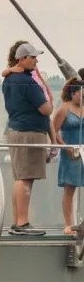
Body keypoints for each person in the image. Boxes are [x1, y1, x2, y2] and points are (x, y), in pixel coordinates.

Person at [2, 42, 54, 236]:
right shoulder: (27, 82)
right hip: (30, 132)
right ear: (22, 59)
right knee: (26, 178)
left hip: (16, 131)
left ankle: (18, 221)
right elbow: (46, 109)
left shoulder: (9, 79)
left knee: (20, 177)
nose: (36, 61)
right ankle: (22, 223)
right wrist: (48, 101)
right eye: (33, 58)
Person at [52, 79, 84, 235]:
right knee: (69, 188)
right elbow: (53, 130)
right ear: (73, 93)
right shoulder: (64, 109)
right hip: (70, 153)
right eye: (82, 94)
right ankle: (68, 224)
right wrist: (65, 147)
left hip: (83, 151)